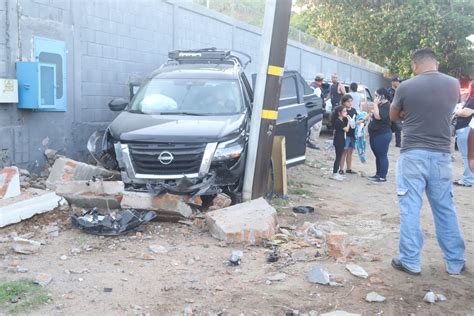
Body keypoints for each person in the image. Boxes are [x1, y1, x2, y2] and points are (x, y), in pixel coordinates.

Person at [390, 47, 465, 276]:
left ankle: (410, 261)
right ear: (436, 62)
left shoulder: (406, 86)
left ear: (415, 65)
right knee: (445, 208)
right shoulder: (453, 84)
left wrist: (408, 113)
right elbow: (448, 109)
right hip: (442, 155)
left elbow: (393, 116)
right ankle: (455, 262)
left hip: (413, 153)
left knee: (410, 207)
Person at [368, 88, 392, 183]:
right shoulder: (381, 105)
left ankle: (382, 176)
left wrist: (375, 104)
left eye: (376, 95)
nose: (375, 97)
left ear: (382, 96)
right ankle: (378, 174)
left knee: (382, 155)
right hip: (375, 133)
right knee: (377, 155)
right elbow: (375, 115)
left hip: (382, 134)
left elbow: (378, 116)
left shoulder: (387, 105)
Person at [453, 80, 474, 187]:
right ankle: (468, 177)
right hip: (468, 129)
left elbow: (466, 113)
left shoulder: (473, 99)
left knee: (467, 155)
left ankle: (468, 179)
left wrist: (456, 112)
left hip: (466, 129)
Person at [330, 105, 350, 181]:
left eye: (346, 111)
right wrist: (349, 122)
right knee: (338, 157)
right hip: (339, 141)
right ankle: (334, 173)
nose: (346, 113)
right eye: (344, 111)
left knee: (339, 156)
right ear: (339, 113)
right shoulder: (338, 121)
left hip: (340, 140)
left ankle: (336, 172)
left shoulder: (341, 121)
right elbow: (347, 130)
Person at [339, 94, 357, 175]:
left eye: (351, 101)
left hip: (353, 134)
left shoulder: (354, 110)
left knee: (350, 152)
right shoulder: (343, 111)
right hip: (346, 134)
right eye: (348, 101)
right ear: (343, 102)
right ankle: (341, 169)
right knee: (344, 152)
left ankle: (349, 168)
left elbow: (356, 120)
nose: (350, 103)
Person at [307, 73, 325, 149]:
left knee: (312, 126)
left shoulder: (311, 86)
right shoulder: (317, 89)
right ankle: (312, 142)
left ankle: (309, 140)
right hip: (316, 110)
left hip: (310, 109)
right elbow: (317, 100)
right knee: (317, 126)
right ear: (321, 80)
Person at [388, 76, 402, 147]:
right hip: (390, 112)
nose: (398, 83)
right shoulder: (389, 91)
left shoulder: (398, 91)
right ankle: (387, 140)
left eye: (399, 82)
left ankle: (398, 143)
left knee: (398, 128)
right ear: (393, 82)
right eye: (397, 81)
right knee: (389, 127)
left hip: (397, 112)